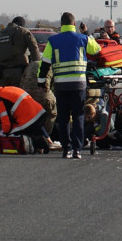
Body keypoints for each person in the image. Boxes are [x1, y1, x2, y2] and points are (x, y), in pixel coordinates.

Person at [38, 12, 101, 159]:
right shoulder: (83, 38)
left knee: (64, 118)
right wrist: (86, 32)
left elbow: (45, 63)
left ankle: (66, 149)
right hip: (79, 85)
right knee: (78, 116)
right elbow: (97, 50)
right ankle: (77, 150)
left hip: (61, 86)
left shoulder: (53, 41)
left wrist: (41, 82)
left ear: (61, 25)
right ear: (74, 24)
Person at [0, 85, 51, 153]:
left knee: (15, 134)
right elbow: (8, 111)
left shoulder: (0, 101)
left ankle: (39, 142)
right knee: (34, 128)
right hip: (39, 113)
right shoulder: (9, 89)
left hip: (29, 120)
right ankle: (44, 139)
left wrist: (5, 135)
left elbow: (7, 124)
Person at [0, 16, 42, 88]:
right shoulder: (23, 31)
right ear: (22, 24)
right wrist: (38, 68)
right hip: (19, 72)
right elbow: (34, 49)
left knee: (4, 96)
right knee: (19, 96)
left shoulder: (0, 34)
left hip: (3, 72)